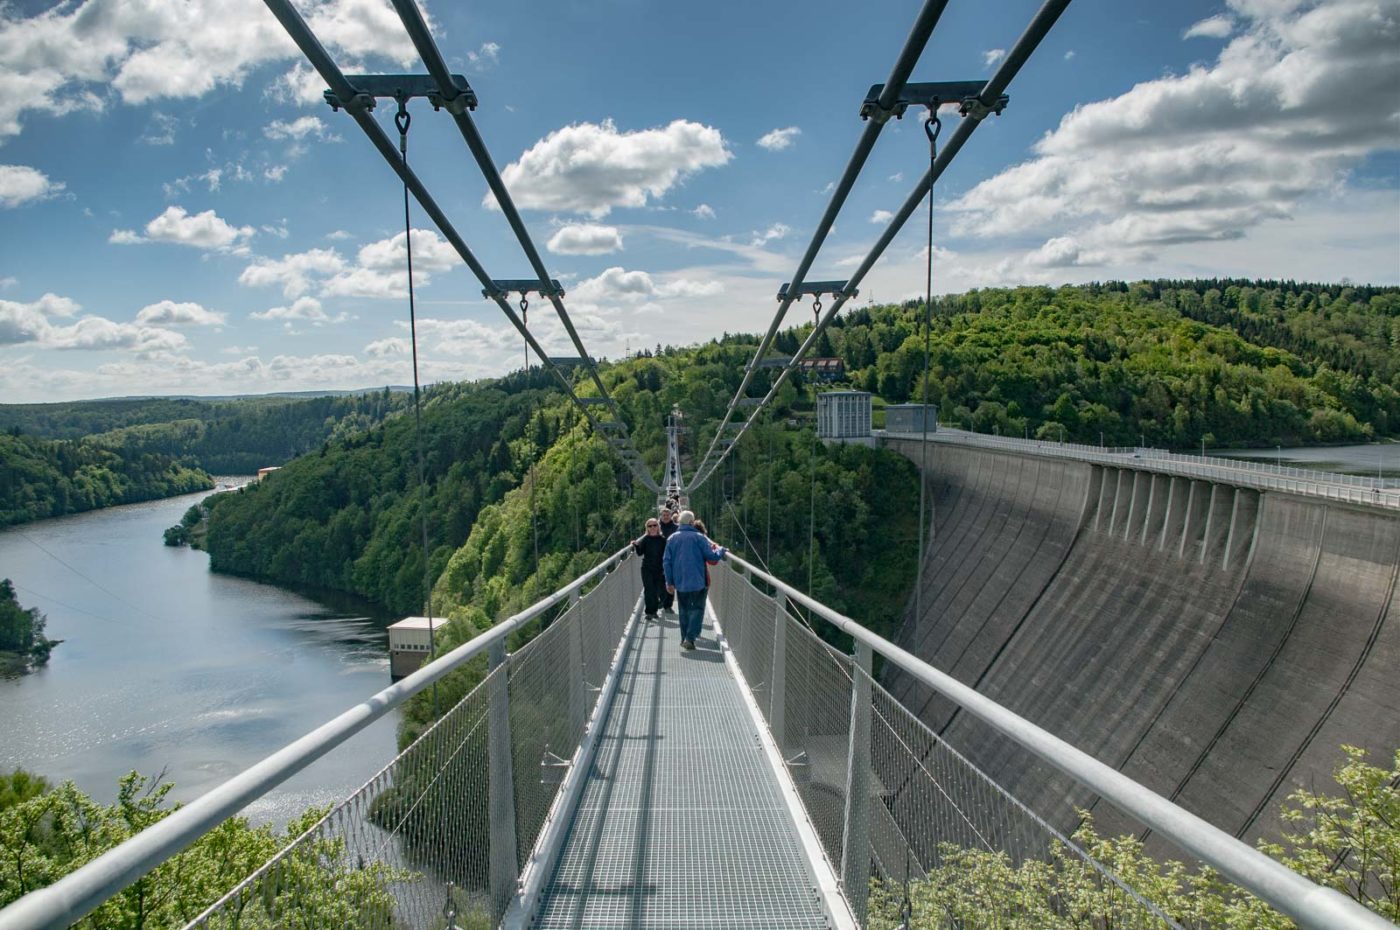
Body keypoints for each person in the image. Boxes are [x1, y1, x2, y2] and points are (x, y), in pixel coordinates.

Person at [663, 510, 726, 650]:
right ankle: (690, 638)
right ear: (692, 522)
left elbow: (666, 562)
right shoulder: (699, 537)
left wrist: (669, 582)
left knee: (683, 609)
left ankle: (684, 637)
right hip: (699, 580)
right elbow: (712, 557)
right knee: (697, 609)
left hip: (680, 582)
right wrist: (721, 550)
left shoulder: (672, 538)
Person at [632, 517, 666, 620]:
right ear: (647, 528)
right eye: (650, 526)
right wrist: (636, 545)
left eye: (655, 525)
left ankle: (654, 611)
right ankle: (649, 612)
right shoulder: (645, 539)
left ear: (658, 526)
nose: (652, 528)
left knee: (656, 591)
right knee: (648, 590)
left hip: (659, 569)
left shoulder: (663, 540)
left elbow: (666, 555)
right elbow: (640, 553)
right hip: (647, 568)